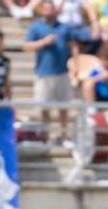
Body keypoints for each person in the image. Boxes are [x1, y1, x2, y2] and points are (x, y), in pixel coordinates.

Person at [25, 1, 74, 140]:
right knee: (44, 107)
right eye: (45, 9)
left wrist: (74, 65)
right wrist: (43, 42)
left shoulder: (64, 28)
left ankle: (64, 135)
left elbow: (72, 46)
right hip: (43, 72)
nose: (48, 11)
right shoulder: (36, 27)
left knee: (63, 107)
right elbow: (26, 46)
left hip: (62, 72)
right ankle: (45, 136)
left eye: (50, 9)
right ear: (41, 11)